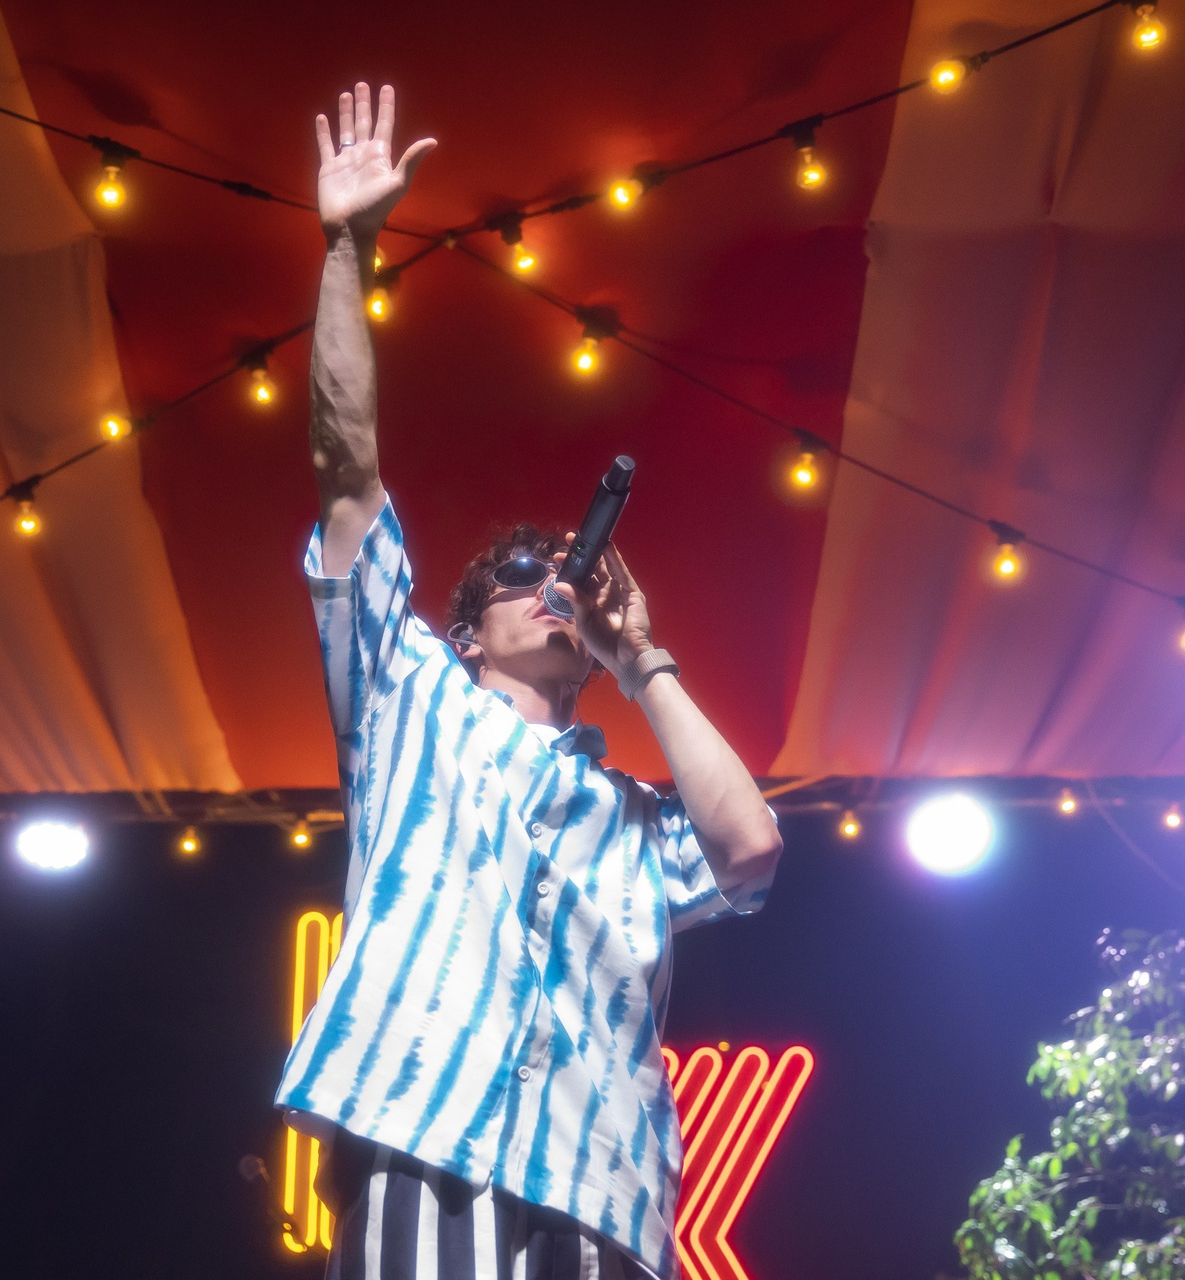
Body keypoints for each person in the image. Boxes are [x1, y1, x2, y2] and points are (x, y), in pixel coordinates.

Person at [275, 83, 784, 1280]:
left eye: (567, 573)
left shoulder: (633, 814)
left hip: (603, 1183)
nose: (552, 582)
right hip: (427, 1133)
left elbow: (751, 849)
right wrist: (347, 250)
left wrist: (640, 656)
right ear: (465, 634)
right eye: (520, 573)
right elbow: (346, 470)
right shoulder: (409, 696)